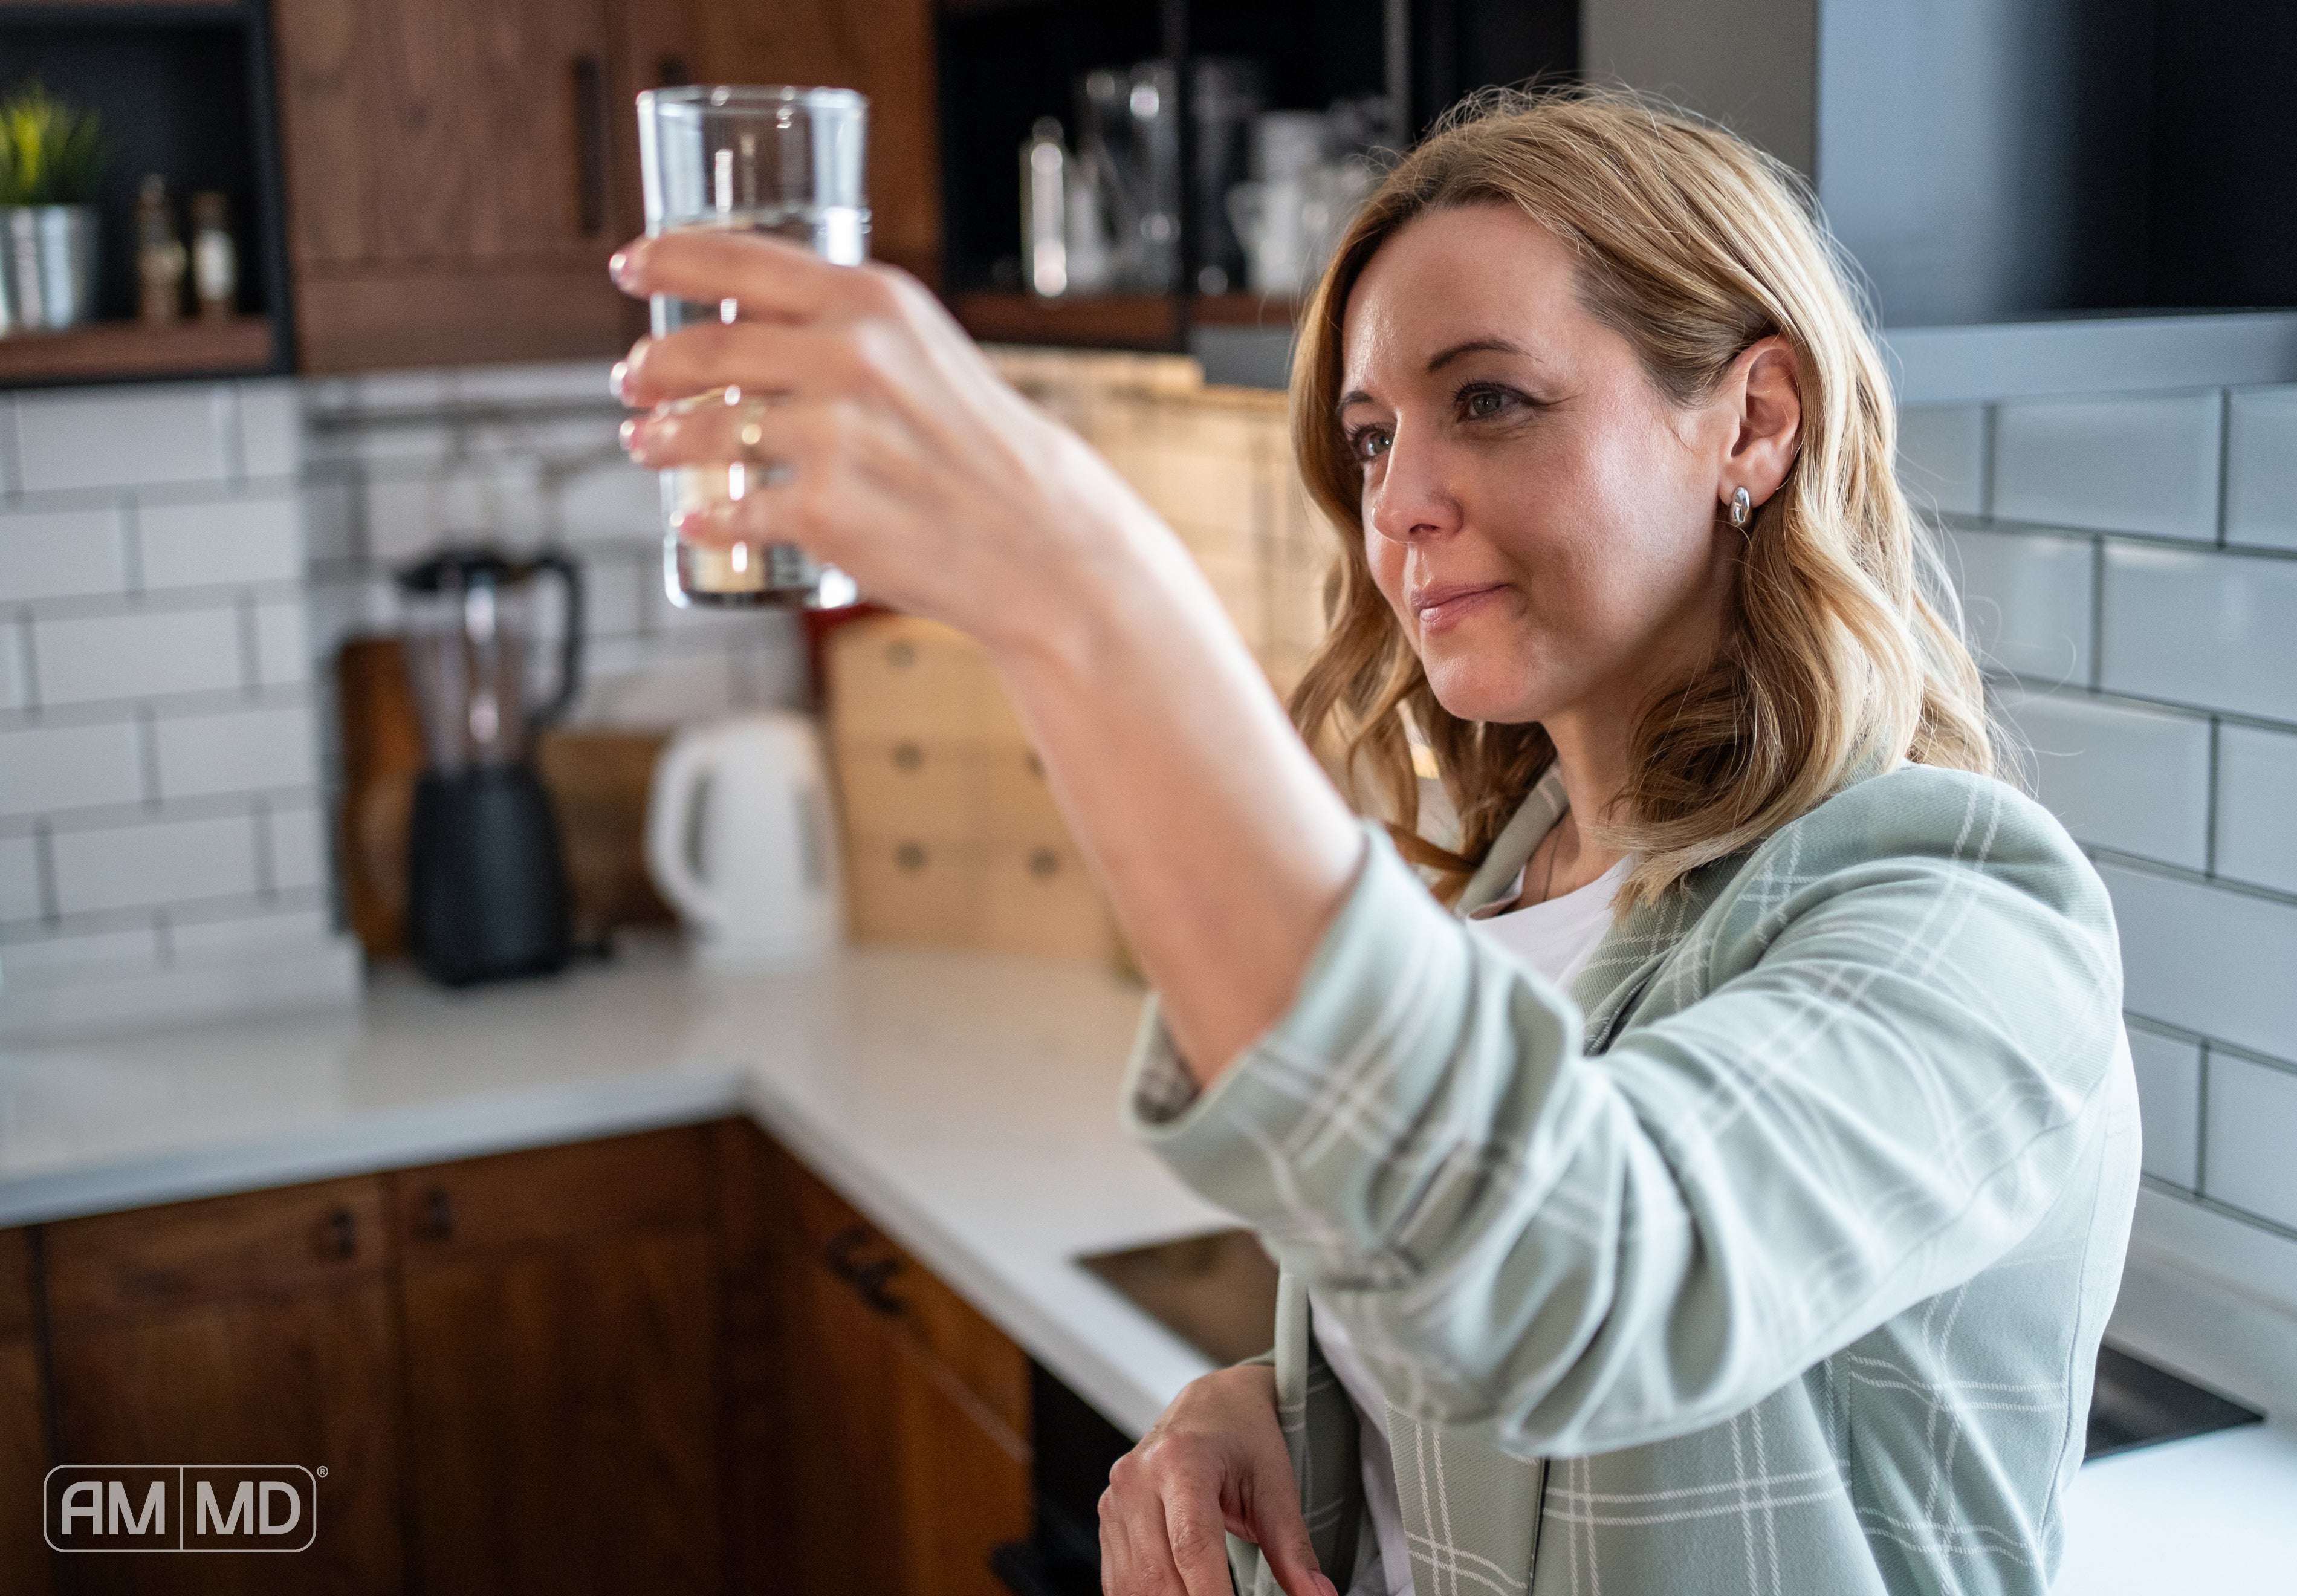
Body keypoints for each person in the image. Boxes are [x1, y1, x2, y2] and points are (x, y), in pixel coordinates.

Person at [612, 88, 2138, 1596]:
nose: (1398, 501)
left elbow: (1591, 1279)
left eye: (1488, 400)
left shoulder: (1963, 914)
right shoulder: (1515, 888)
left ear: (1750, 419)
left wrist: (1084, 590)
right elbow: (1486, 1342)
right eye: (1368, 436)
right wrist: (1300, 1407)